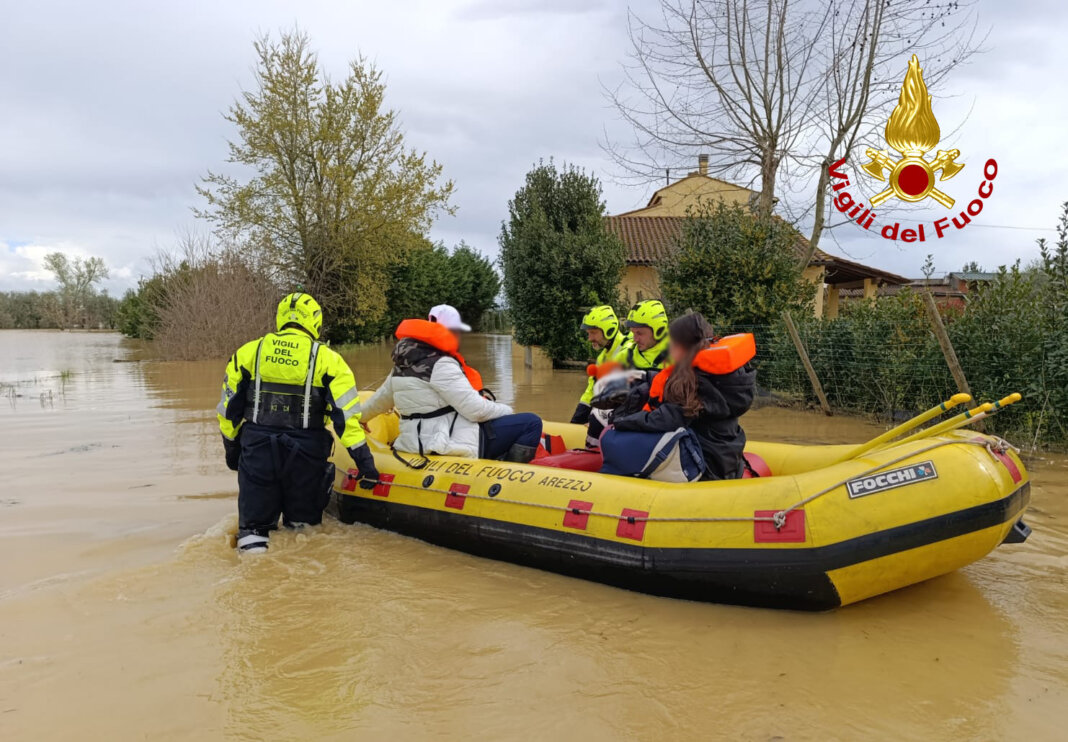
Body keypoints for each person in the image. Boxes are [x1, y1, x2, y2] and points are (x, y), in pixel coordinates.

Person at [217, 292, 378, 554]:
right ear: (315, 321)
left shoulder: (248, 352)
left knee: (254, 529)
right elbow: (347, 419)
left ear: (280, 318)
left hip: (258, 450)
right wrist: (365, 463)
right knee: (304, 533)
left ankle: (254, 573)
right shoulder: (330, 360)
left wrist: (232, 450)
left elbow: (228, 410)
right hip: (307, 454)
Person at [361, 304, 544, 463]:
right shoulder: (441, 364)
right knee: (531, 422)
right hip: (445, 442)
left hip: (413, 442)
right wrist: (506, 410)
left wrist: (360, 418)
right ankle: (508, 478)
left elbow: (379, 401)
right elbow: (475, 411)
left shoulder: (400, 365)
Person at [612, 312, 756, 480]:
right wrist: (646, 376)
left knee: (630, 445)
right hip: (728, 461)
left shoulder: (693, 382)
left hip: (704, 467)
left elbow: (665, 418)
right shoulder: (725, 376)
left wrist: (621, 421)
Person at [570, 304, 631, 425]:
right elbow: (592, 391)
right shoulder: (602, 358)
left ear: (609, 329)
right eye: (588, 333)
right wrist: (577, 420)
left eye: (593, 333)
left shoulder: (630, 350)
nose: (589, 338)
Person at [623, 299, 672, 373]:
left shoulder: (681, 356)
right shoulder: (627, 356)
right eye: (633, 333)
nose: (635, 339)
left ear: (659, 330)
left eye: (639, 333)